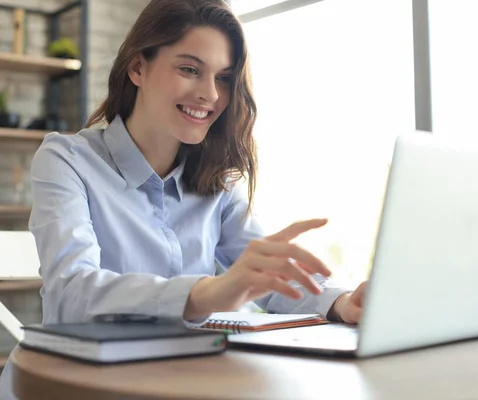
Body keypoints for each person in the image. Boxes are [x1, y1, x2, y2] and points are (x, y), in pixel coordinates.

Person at [0, 0, 366, 397]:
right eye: (190, 69)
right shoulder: (67, 160)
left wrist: (343, 301)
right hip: (73, 386)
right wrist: (206, 293)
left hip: (181, 381)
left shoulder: (217, 180)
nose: (210, 94)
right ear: (138, 68)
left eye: (224, 78)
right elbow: (73, 293)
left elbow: (270, 278)